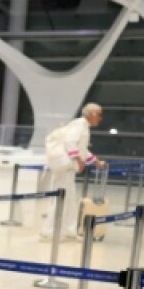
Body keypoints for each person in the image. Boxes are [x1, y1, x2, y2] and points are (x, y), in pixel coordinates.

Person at [40, 103, 107, 240]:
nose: (100, 119)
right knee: (61, 198)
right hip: (66, 168)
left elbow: (82, 149)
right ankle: (48, 231)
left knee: (70, 200)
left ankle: (69, 230)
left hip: (69, 168)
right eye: (99, 115)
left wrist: (96, 161)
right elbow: (70, 142)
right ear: (93, 114)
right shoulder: (79, 125)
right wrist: (79, 161)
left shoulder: (83, 126)